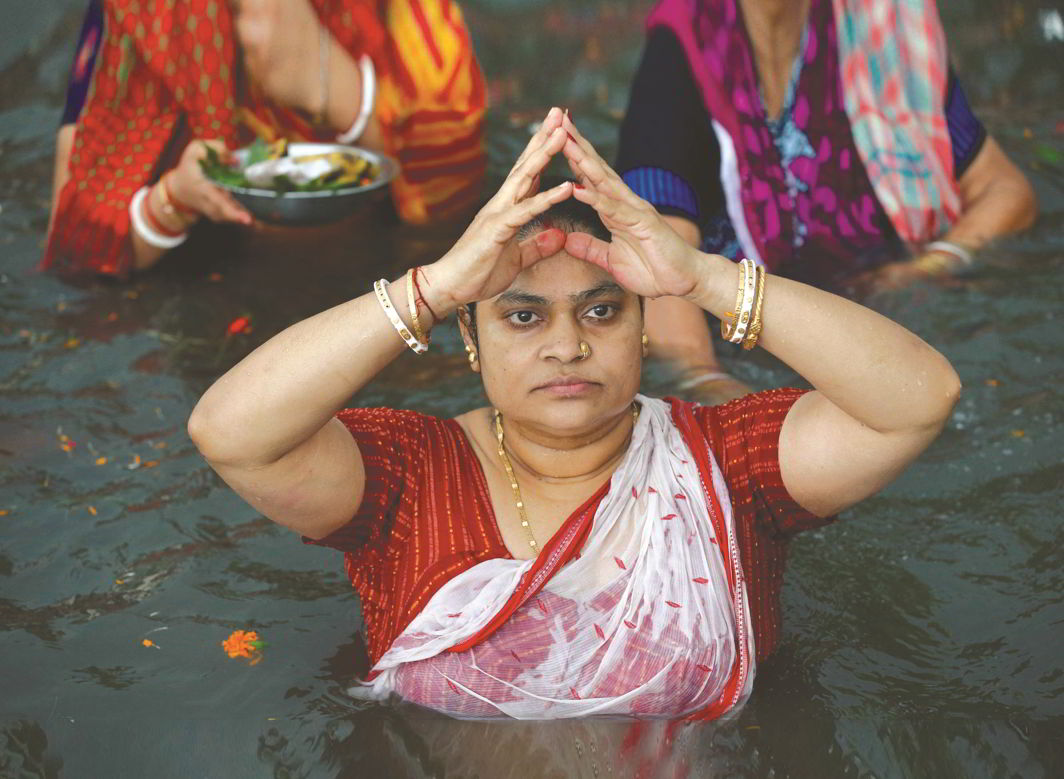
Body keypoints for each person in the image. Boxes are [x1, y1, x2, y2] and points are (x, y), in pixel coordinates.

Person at [188, 108, 961, 719]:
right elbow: (232, 434)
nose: (566, 345)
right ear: (472, 338)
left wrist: (702, 277)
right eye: (523, 317)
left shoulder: (728, 463)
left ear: (642, 325)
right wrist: (433, 287)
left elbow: (918, 401)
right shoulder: (408, 474)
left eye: (600, 311)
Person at [616, 0, 1035, 399]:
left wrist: (932, 264)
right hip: (747, 346)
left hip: (893, 315)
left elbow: (1004, 190)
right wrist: (716, 390)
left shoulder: (879, 28)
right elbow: (659, 264)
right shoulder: (683, 49)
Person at [45, 0, 487, 277]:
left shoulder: (406, 15)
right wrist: (175, 197)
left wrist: (335, 92)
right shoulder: (146, 14)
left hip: (382, 278)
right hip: (207, 304)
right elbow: (79, 246)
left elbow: (455, 215)